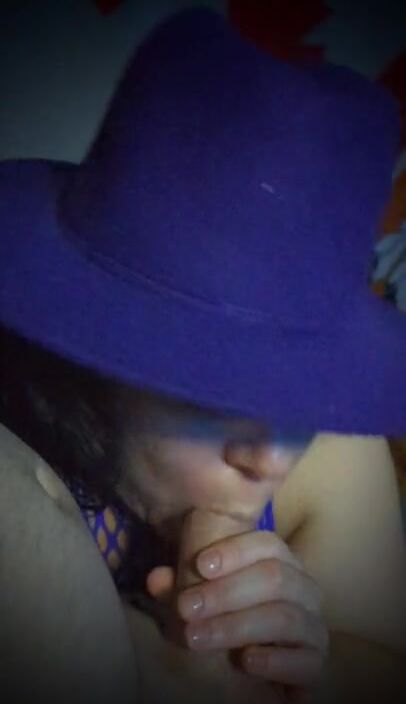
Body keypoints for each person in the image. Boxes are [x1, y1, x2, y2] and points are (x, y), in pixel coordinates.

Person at [0, 8, 405, 704]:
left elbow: (386, 660)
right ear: (98, 347)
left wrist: (311, 668)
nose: (271, 460)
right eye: (214, 390)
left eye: (303, 389)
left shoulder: (335, 447)